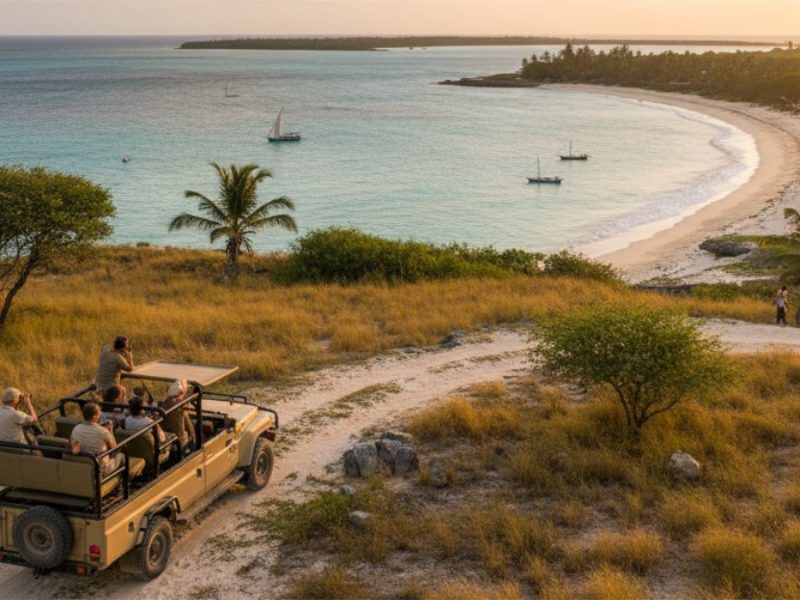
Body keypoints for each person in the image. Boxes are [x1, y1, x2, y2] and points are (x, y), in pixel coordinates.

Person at [71, 401, 124, 475]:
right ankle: (121, 483)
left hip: (84, 465)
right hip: (100, 468)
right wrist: (110, 431)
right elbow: (114, 447)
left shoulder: (76, 428)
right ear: (94, 416)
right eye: (99, 414)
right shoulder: (103, 431)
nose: (100, 415)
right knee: (121, 456)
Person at [160, 379, 195, 449]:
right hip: (179, 440)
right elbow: (191, 431)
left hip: (166, 436)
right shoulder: (181, 410)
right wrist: (194, 439)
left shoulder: (162, 405)